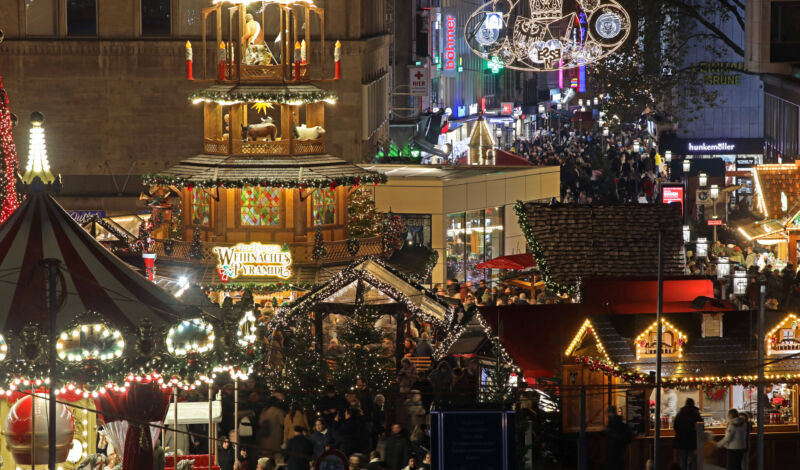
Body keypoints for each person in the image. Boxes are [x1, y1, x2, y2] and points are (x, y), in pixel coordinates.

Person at [673, 398, 702, 470]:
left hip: (682, 442)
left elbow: (675, 427)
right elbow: (701, 428)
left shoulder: (679, 414)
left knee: (683, 462)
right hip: (693, 442)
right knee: (695, 462)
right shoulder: (696, 414)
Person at [258, 393, 286, 460]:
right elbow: (283, 423)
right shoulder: (278, 411)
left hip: (264, 440)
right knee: (273, 459)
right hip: (274, 439)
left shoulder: (264, 411)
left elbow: (260, 422)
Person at [604, 406, 631, 470]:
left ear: (610, 413)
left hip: (614, 451)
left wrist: (607, 432)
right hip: (620, 451)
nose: (607, 415)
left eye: (608, 413)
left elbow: (614, 436)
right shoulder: (620, 422)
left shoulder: (613, 423)